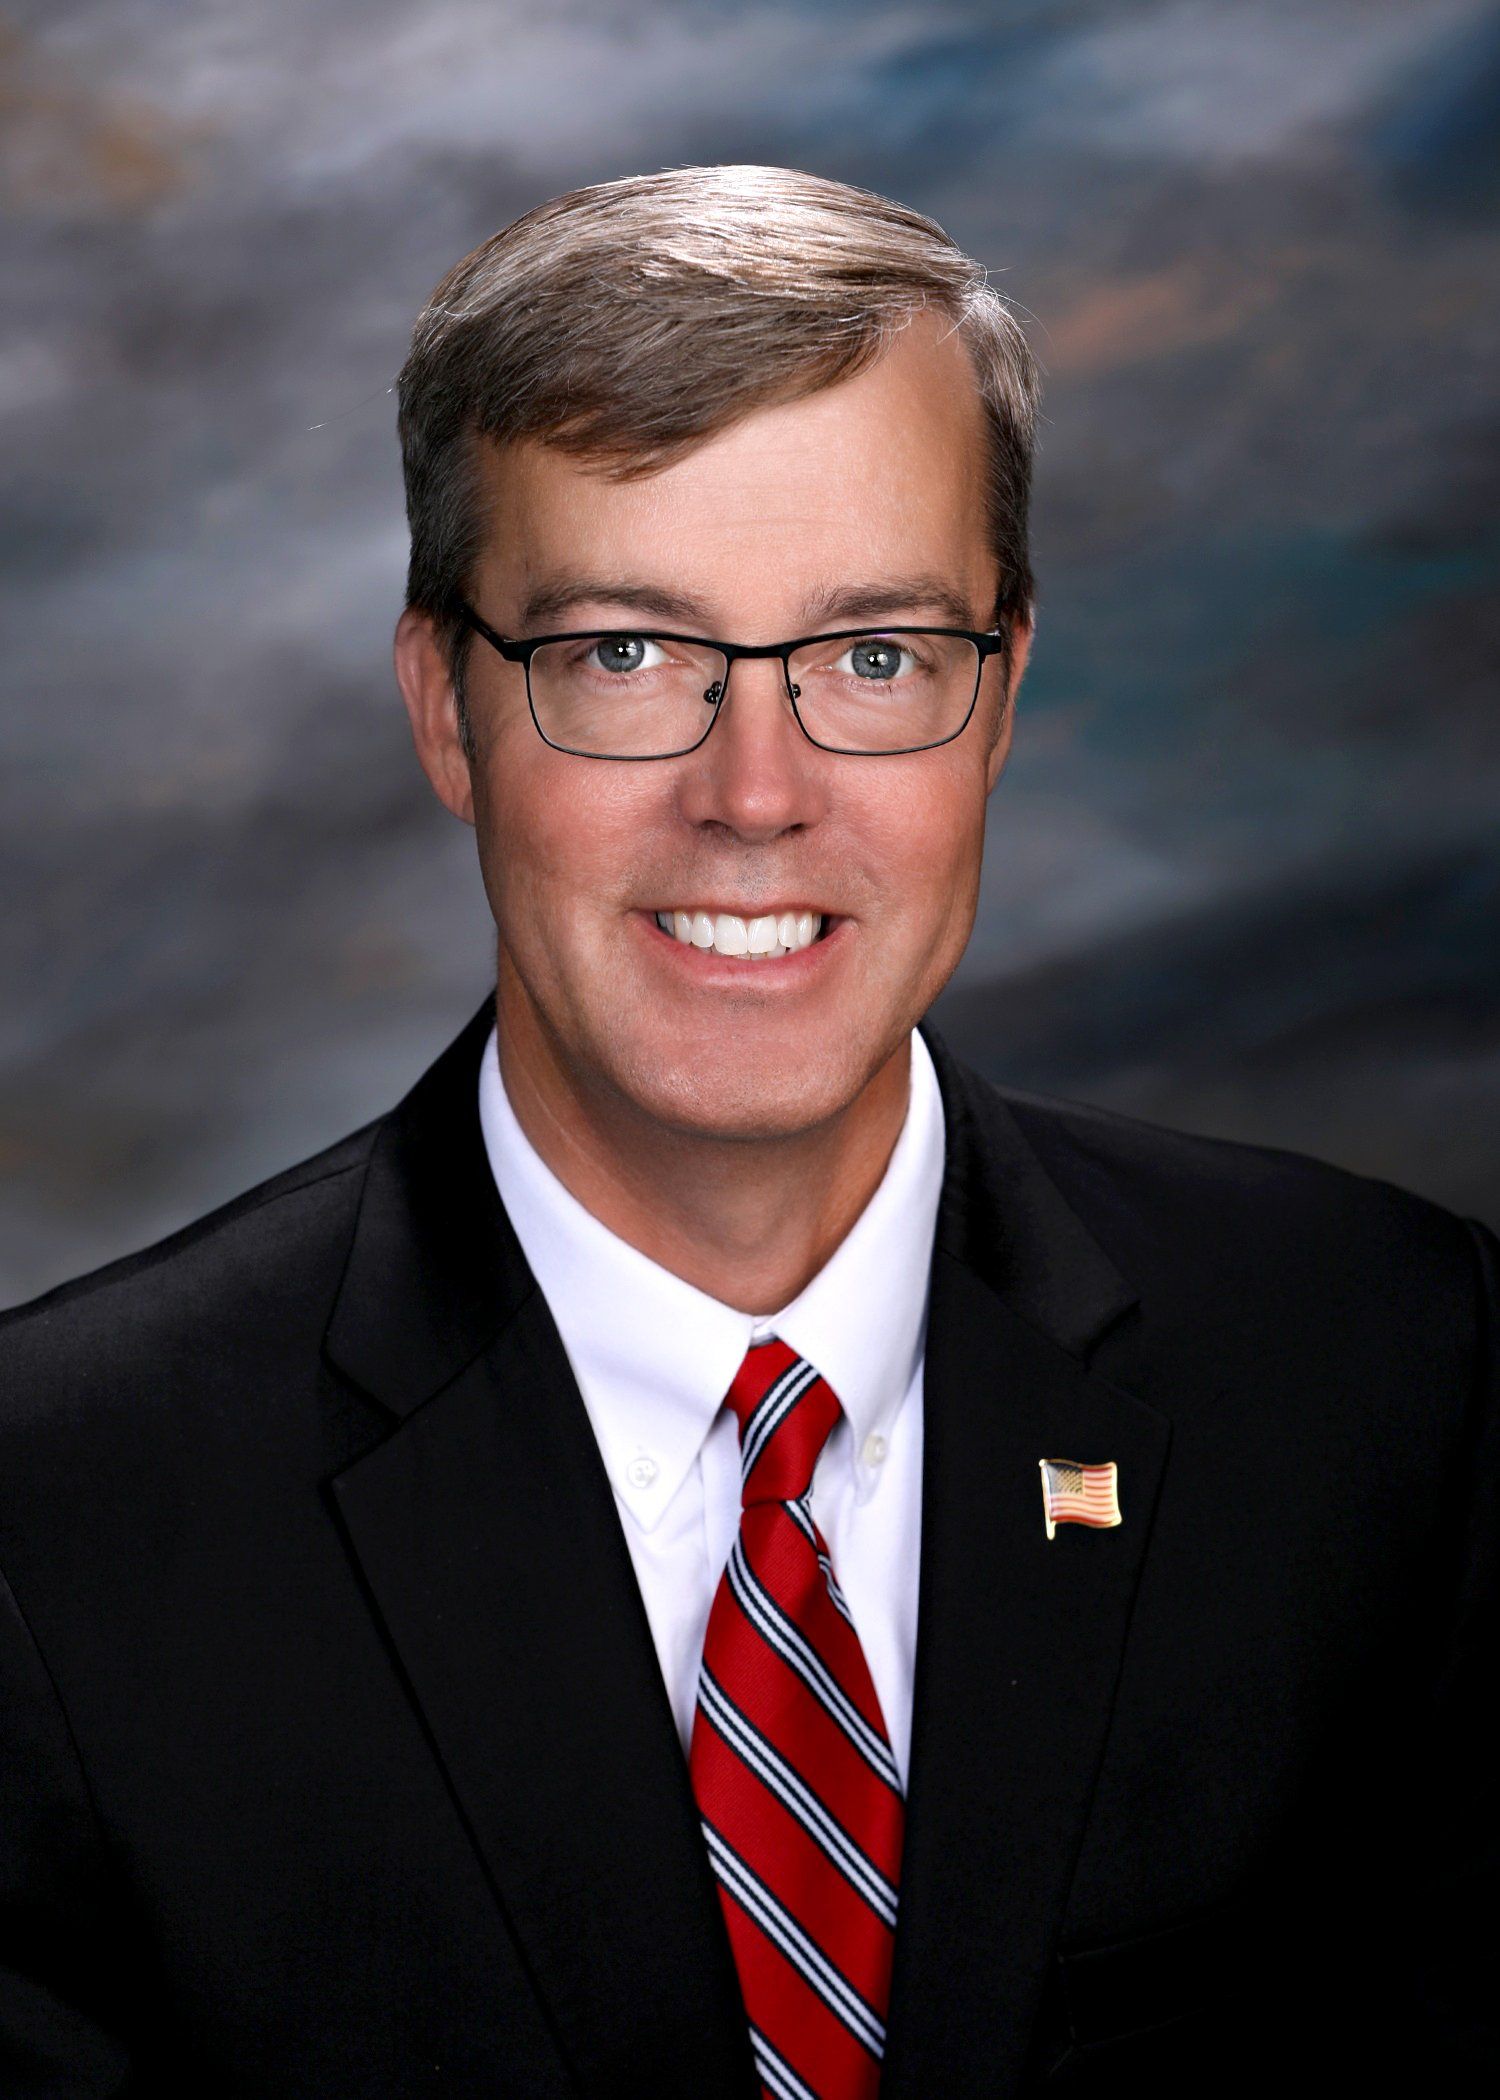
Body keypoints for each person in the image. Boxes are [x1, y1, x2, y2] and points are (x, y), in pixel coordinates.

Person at [0, 164, 1494, 2100]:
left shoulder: (1397, 1373)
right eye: (625, 654)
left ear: (1003, 698)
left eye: (876, 656)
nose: (757, 793)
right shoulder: (58, 1528)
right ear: (447, 710)